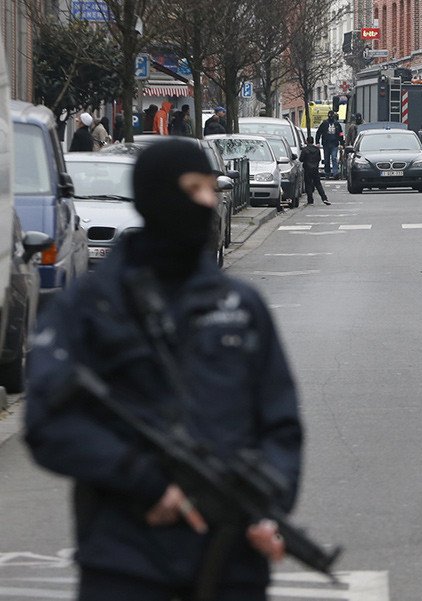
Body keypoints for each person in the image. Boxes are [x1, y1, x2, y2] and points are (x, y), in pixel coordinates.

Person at [25, 138, 303, 601]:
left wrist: (268, 502)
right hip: (126, 558)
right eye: (193, 189)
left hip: (232, 558)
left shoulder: (239, 306)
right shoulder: (92, 306)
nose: (207, 201)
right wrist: (143, 481)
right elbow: (49, 420)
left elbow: (280, 423)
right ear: (156, 196)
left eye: (211, 188)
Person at [299, 137, 330, 206]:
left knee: (308, 184)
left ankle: (310, 200)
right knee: (318, 184)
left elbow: (301, 159)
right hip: (315, 169)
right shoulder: (317, 149)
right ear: (313, 141)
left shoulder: (305, 150)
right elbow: (319, 158)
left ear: (307, 141)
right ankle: (324, 198)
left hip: (307, 169)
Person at [315, 110, 344, 179]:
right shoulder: (324, 123)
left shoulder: (337, 124)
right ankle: (327, 173)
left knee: (334, 158)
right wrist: (317, 142)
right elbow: (318, 132)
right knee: (326, 159)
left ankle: (335, 173)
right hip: (326, 144)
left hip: (334, 144)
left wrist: (341, 143)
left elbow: (341, 133)